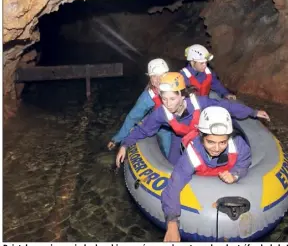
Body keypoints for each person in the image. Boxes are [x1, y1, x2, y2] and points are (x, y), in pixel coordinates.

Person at [115, 72, 269, 167]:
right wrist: (125, 144)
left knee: (216, 159)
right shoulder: (161, 113)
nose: (167, 104)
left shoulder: (199, 103)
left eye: (172, 99)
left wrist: (253, 112)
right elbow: (143, 130)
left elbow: (226, 106)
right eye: (164, 99)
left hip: (202, 136)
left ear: (182, 95)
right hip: (179, 138)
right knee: (172, 165)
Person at [161, 106, 252, 242]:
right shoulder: (192, 154)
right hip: (200, 174)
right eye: (210, 142)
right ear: (201, 137)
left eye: (222, 142)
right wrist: (172, 223)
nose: (216, 148)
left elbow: (244, 161)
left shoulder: (238, 143)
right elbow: (173, 186)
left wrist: (236, 174)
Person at [107, 58, 172, 156]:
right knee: (167, 146)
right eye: (155, 76)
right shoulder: (147, 98)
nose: (159, 80)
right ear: (150, 78)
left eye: (162, 75)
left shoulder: (179, 88)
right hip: (163, 128)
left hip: (177, 124)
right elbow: (132, 118)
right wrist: (116, 139)